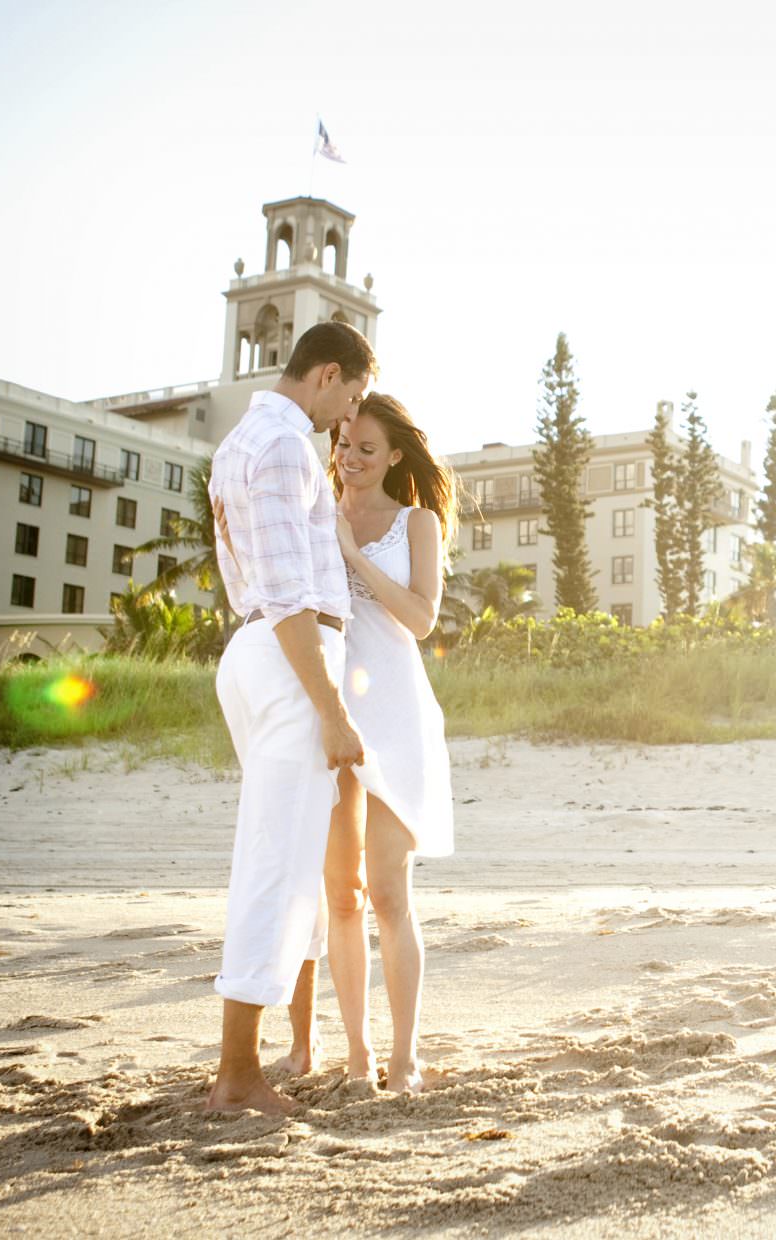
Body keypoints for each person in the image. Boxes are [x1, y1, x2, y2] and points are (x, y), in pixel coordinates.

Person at [205, 321, 376, 1116]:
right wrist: (333, 710)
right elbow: (284, 593)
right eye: (353, 397)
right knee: (275, 861)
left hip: (261, 660)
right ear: (328, 374)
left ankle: (259, 1056)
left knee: (287, 852)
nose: (349, 417)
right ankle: (237, 1075)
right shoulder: (280, 448)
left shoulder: (239, 440)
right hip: (288, 662)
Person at [323, 392, 457, 1093]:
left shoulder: (417, 523)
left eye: (367, 449)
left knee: (387, 893)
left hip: (397, 714)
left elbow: (422, 618)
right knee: (339, 896)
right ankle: (356, 1053)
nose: (349, 458)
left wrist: (355, 557)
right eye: (344, 443)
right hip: (330, 710)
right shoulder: (317, 511)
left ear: (395, 455)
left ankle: (405, 1056)